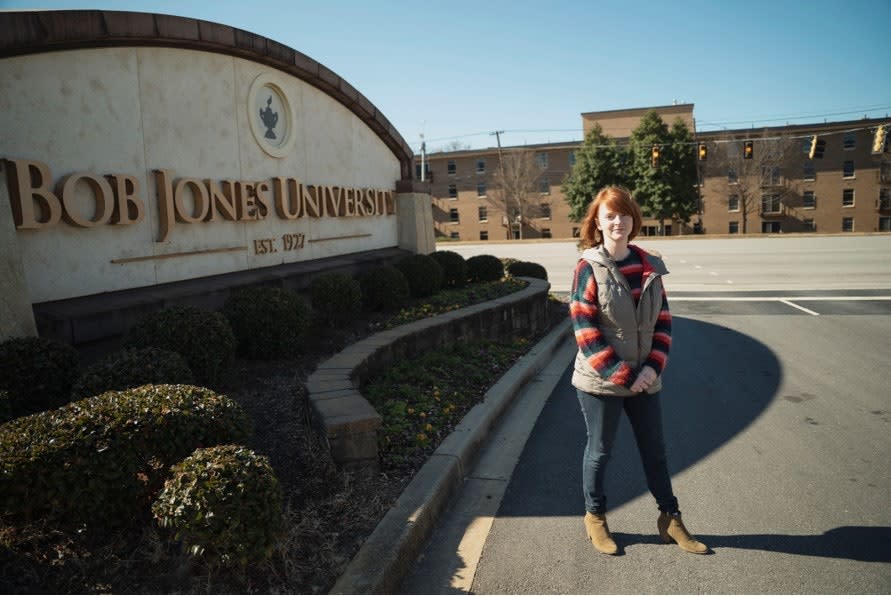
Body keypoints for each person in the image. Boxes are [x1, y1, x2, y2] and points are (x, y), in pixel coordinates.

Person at [569, 186, 708, 556]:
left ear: (634, 219)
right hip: (600, 381)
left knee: (655, 451)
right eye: (610, 216)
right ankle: (595, 517)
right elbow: (585, 331)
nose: (618, 221)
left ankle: (670, 518)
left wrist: (651, 368)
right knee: (600, 451)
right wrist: (624, 375)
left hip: (645, 377)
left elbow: (662, 322)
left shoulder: (649, 266)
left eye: (624, 214)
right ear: (597, 223)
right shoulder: (588, 268)